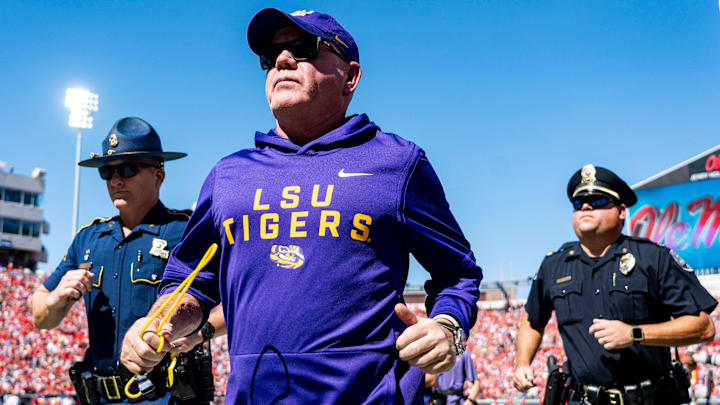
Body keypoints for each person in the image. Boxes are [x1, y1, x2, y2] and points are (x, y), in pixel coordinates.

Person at [120, 8, 483, 404]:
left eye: (302, 47)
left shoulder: (397, 163)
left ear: (351, 76)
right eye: (269, 56)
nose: (282, 61)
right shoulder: (228, 175)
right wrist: (161, 322)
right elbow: (191, 282)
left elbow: (457, 273)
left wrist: (448, 327)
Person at [31, 117, 225, 404]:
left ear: (159, 176)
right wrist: (58, 298)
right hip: (100, 397)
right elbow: (40, 316)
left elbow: (240, 299)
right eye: (107, 173)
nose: (116, 180)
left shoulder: (187, 232)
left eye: (128, 169)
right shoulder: (88, 239)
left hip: (168, 395)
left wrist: (201, 332)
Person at [513, 164, 717, 405]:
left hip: (648, 398)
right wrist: (523, 362)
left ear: (622, 211)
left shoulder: (652, 257)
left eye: (598, 201)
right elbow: (532, 320)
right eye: (578, 204)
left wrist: (635, 334)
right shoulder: (554, 264)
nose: (586, 207)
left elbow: (704, 327)